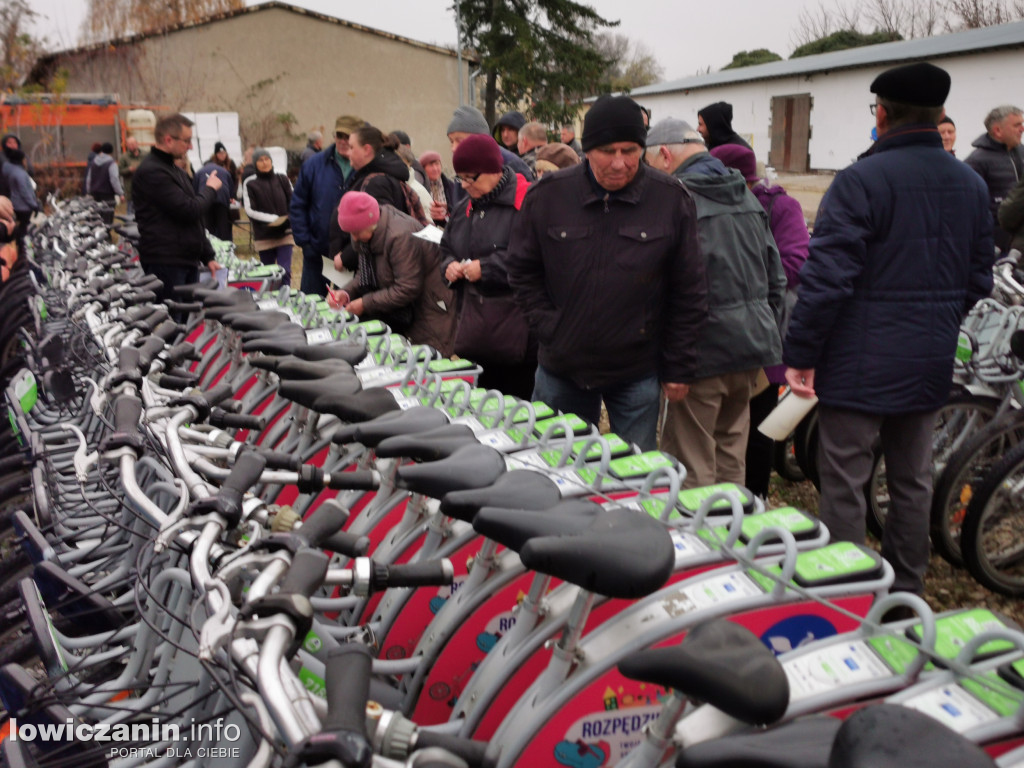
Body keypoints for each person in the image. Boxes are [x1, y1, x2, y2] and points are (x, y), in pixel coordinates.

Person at [783, 62, 994, 598]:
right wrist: (940, 320)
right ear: (940, 115)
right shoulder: (970, 184)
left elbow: (826, 279)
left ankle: (847, 590)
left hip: (857, 358)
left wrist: (802, 353)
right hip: (929, 354)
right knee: (912, 477)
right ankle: (905, 587)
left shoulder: (860, 180)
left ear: (881, 113)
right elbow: (979, 278)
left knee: (846, 479)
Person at [506, 95, 707, 451]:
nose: (619, 163)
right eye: (607, 151)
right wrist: (550, 328)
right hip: (561, 367)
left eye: (630, 150)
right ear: (587, 150)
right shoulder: (549, 197)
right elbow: (522, 270)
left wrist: (679, 366)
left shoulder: (671, 200)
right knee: (556, 465)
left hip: (636, 371)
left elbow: (688, 289)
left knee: (633, 475)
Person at [645, 118, 785, 488]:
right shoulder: (747, 196)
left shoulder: (677, 199)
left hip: (700, 353)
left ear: (663, 154)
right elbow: (777, 278)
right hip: (749, 349)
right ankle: (730, 538)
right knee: (729, 456)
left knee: (690, 463)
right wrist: (765, 330)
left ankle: (698, 542)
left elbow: (664, 285)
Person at [711, 142, 810, 498]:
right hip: (719, 339)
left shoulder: (780, 206)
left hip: (762, 337)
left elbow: (797, 262)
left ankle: (755, 498)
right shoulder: (709, 205)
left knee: (757, 429)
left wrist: (745, 283)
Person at [440, 135, 535, 398]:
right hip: (476, 334)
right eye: (461, 178)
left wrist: (489, 268)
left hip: (519, 339)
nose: (466, 185)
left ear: (494, 169)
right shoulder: (462, 210)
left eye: (472, 177)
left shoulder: (526, 203)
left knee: (517, 410)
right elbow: (446, 249)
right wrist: (449, 267)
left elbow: (534, 258)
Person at [333, 191, 456, 354]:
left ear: (371, 222)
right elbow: (364, 275)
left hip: (429, 310)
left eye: (356, 232)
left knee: (426, 363)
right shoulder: (364, 233)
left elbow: (407, 287)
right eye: (351, 233)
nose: (354, 238)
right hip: (403, 311)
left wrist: (364, 303)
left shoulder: (400, 236)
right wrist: (346, 293)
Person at [132, 113, 223, 305]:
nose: (190, 146)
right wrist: (211, 189)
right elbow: (190, 209)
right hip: (166, 262)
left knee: (187, 325)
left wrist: (208, 256)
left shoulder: (175, 171)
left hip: (185, 260)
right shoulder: (152, 172)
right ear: (168, 140)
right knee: (173, 325)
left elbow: (194, 221)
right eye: (187, 141)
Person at [329, 126, 430, 271]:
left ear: (367, 150)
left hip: (371, 270)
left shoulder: (377, 182)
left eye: (352, 147)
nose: (348, 152)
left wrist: (346, 258)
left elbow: (376, 230)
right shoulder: (374, 175)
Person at [290, 114, 364, 296]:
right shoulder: (314, 165)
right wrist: (305, 242)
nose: (343, 141)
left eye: (348, 137)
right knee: (311, 304)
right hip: (317, 250)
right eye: (339, 136)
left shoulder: (363, 166)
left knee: (346, 309)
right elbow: (298, 204)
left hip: (351, 253)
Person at [965, 105, 1024, 252]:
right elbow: (970, 207)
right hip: (997, 244)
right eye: (1017, 125)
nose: (1022, 129)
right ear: (998, 131)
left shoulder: (1022, 153)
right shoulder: (977, 161)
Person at [242, 148, 294, 286]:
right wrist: (274, 219)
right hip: (264, 236)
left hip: (285, 234)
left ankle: (286, 298)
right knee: (269, 274)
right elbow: (249, 210)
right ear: (255, 163)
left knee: (285, 271)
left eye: (267, 159)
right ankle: (271, 301)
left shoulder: (282, 179)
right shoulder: (250, 183)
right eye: (260, 160)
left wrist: (288, 218)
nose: (264, 163)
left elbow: (293, 201)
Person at [447, 105, 533, 182]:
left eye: (460, 141)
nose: (453, 148)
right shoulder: (463, 165)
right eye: (451, 141)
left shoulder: (510, 164)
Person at [1, 148, 39, 257]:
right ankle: (24, 253)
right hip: (24, 207)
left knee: (21, 229)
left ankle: (21, 250)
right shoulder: (20, 173)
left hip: (17, 204)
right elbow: (25, 192)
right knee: (25, 230)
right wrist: (34, 205)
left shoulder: (12, 171)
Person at [194, 154, 234, 242]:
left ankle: (210, 247)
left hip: (206, 200)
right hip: (222, 200)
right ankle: (225, 247)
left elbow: (195, 190)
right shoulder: (224, 171)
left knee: (208, 227)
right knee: (223, 227)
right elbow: (231, 190)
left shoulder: (199, 172)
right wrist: (230, 197)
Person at [84, 142, 125, 224]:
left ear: (101, 151)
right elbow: (114, 179)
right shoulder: (111, 163)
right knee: (107, 218)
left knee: (96, 216)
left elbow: (89, 178)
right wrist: (120, 193)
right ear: (111, 152)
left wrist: (88, 191)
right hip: (107, 195)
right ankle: (106, 235)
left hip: (95, 193)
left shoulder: (93, 162)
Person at [420, 150, 457, 226]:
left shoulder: (451, 186)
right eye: (431, 165)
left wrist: (448, 209)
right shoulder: (420, 188)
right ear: (423, 169)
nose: (435, 169)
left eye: (437, 164)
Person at [118, 136, 144, 211]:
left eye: (133, 144)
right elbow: (120, 171)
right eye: (129, 144)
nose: (131, 146)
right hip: (131, 189)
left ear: (137, 143)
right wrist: (129, 170)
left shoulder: (145, 155)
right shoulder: (124, 157)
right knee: (131, 213)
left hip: (144, 189)